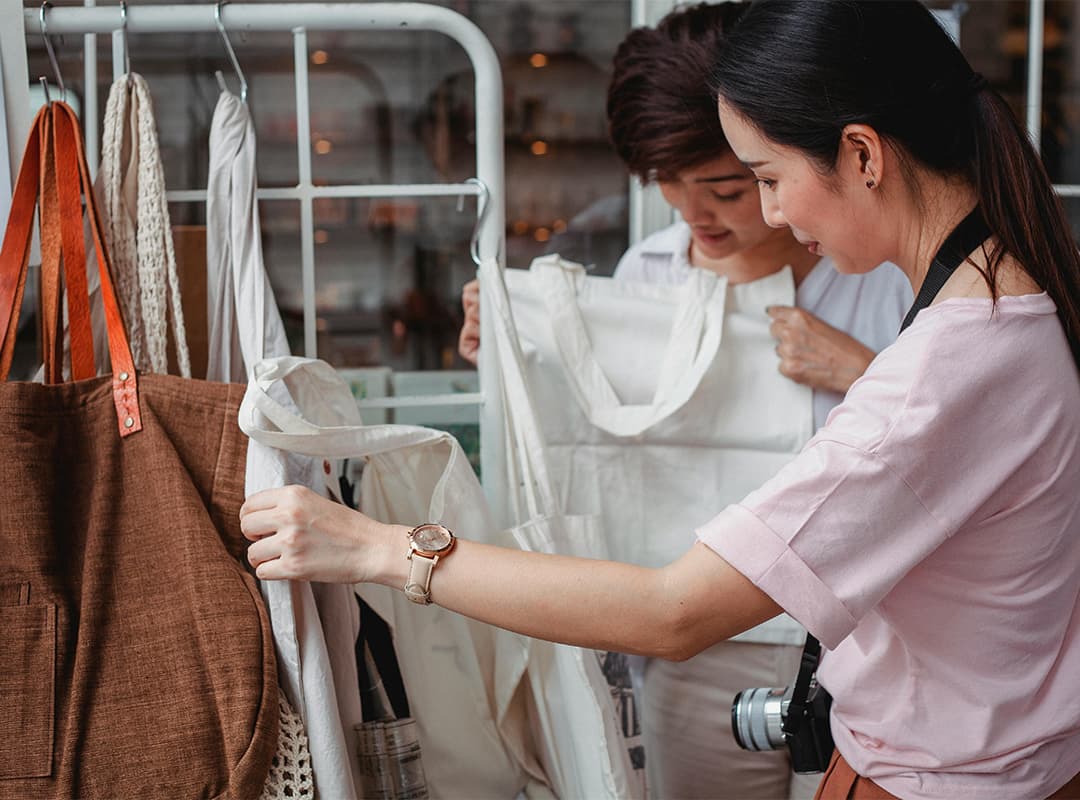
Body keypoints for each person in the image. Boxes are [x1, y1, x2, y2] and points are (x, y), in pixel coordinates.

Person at [240, 1, 1080, 798]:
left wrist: (382, 550)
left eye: (764, 177)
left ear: (862, 154)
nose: (776, 212)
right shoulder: (1014, 295)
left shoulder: (944, 368)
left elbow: (672, 612)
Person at [463, 5, 910, 798]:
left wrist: (861, 372)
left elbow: (955, 445)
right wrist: (512, 354)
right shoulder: (650, 273)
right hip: (699, 644)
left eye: (731, 189)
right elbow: (601, 449)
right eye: (666, 186)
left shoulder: (882, 278)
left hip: (866, 640)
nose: (691, 214)